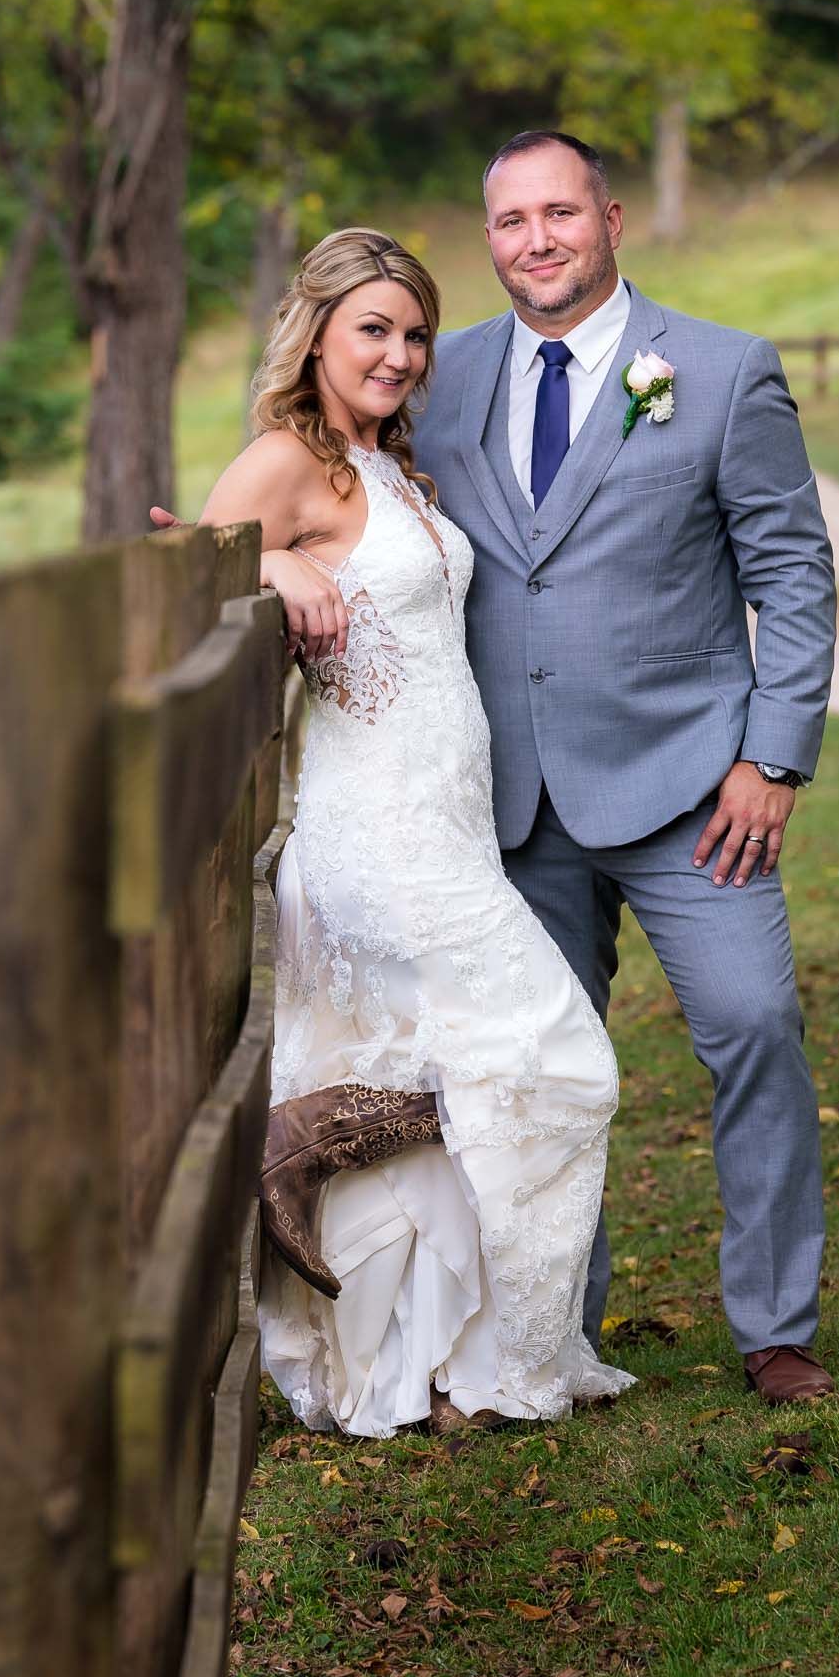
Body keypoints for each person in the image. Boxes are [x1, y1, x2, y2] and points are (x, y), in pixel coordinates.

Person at [175, 227, 634, 1437]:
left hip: (446, 825)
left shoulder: (386, 465)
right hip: (373, 835)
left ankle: (427, 1366)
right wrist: (271, 568)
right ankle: (310, 1155)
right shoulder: (284, 459)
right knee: (556, 1059)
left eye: (414, 331)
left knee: (450, 1071)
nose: (398, 352)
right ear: (315, 331)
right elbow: (181, 565)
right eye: (372, 327)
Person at [411, 132, 838, 1405]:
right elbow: (348, 489)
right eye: (507, 222)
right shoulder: (446, 378)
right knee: (537, 1073)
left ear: (609, 217)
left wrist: (774, 755)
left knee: (754, 1026)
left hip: (694, 791)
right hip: (511, 800)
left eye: (558, 213)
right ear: (487, 238)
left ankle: (774, 1327)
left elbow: (791, 572)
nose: (534, 241)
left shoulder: (718, 371)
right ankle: (555, 1334)